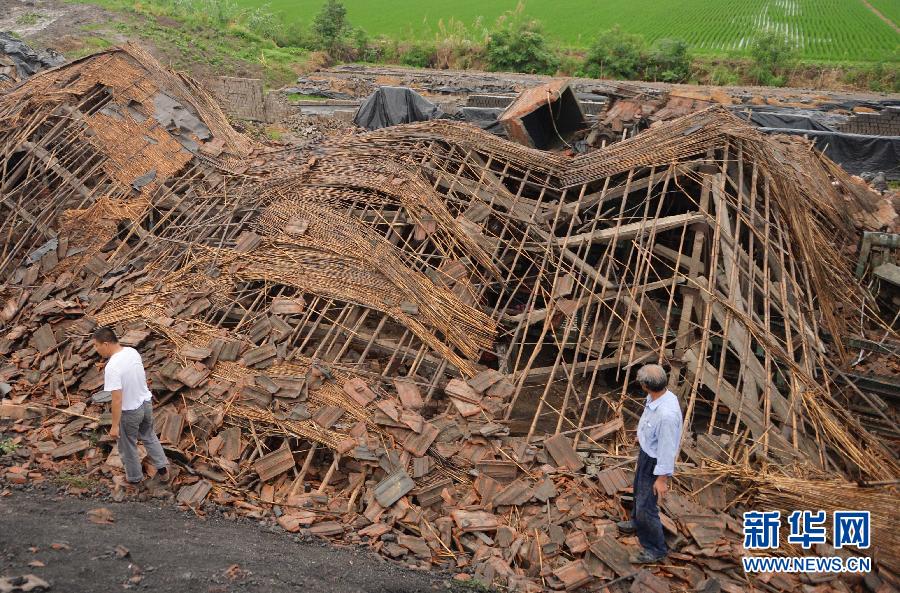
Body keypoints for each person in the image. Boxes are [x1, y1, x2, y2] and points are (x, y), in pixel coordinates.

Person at [618, 364, 682, 564]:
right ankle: (638, 522)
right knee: (639, 491)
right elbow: (649, 422)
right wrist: (642, 437)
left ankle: (655, 549)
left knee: (647, 506)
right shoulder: (658, 397)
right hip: (647, 453)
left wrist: (662, 479)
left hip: (655, 461)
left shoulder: (666, 415)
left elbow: (667, 449)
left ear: (645, 385)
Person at [93, 327, 170, 490]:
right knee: (149, 436)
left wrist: (114, 426)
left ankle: (134, 480)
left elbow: (117, 399)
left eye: (96, 345)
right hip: (145, 403)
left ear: (106, 344)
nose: (96, 349)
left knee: (127, 445)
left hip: (130, 411)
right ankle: (163, 470)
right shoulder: (132, 352)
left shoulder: (112, 366)